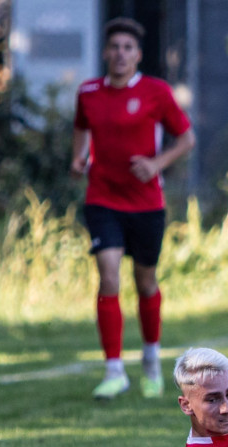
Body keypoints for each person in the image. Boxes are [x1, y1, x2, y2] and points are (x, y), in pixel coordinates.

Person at [70, 17, 196, 400]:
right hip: (102, 199)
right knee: (108, 277)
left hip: (145, 204)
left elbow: (186, 137)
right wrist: (78, 156)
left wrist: (157, 164)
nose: (120, 53)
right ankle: (113, 371)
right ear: (105, 52)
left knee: (145, 281)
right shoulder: (89, 92)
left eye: (128, 47)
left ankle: (152, 361)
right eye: (115, 47)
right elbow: (81, 127)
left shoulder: (156, 92)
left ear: (137, 55)